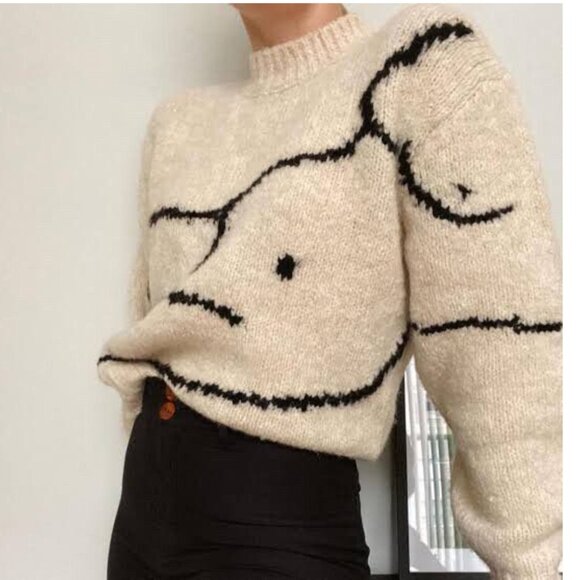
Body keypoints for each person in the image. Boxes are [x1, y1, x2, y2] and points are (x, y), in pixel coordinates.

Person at [99, 3, 562, 579]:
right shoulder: (177, 125)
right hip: (141, 515)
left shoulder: (419, 62)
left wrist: (528, 561)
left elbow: (496, 334)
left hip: (276, 522)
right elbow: (153, 313)